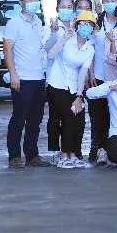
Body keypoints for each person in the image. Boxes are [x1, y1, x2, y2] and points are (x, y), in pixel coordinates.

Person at [4, 0, 51, 168]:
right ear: (21, 2)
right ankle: (14, 156)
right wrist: (13, 75)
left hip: (38, 78)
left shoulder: (38, 22)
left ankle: (32, 155)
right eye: (29, 0)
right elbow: (7, 50)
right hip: (22, 79)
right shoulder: (13, 23)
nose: (33, 3)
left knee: (35, 120)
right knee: (19, 118)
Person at [45, 10, 97, 169]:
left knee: (78, 119)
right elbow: (51, 55)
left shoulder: (89, 48)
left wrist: (79, 96)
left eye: (89, 25)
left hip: (74, 86)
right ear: (76, 25)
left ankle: (73, 154)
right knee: (68, 116)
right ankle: (63, 154)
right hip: (57, 84)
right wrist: (64, 38)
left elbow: (83, 72)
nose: (85, 27)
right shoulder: (67, 39)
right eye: (83, 23)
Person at [88, 0, 117, 165]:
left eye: (113, 0)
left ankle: (115, 150)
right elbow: (90, 50)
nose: (110, 4)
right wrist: (91, 73)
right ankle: (97, 148)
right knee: (98, 116)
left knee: (114, 115)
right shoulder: (97, 23)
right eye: (107, 1)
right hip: (99, 76)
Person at [42, 0, 75, 161]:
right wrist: (56, 33)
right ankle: (57, 152)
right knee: (56, 118)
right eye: (63, 6)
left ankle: (68, 151)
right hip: (55, 80)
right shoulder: (50, 28)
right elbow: (49, 52)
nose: (66, 9)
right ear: (57, 9)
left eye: (70, 7)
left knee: (69, 117)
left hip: (73, 81)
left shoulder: (78, 27)